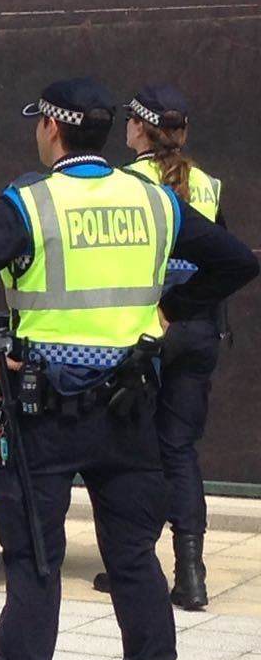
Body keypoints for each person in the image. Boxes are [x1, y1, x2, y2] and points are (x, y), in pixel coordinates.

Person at [0, 77, 256, 660]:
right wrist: (170, 313)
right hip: (130, 407)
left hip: (44, 410)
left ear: (54, 130)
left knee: (38, 561)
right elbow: (235, 261)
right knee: (135, 558)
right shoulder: (155, 202)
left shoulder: (29, 201)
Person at [92, 85, 227, 610]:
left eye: (129, 119)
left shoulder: (126, 184)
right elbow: (224, 259)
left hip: (148, 333)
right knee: (180, 451)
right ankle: (191, 576)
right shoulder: (209, 185)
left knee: (133, 452)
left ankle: (134, 562)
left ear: (139, 129)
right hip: (200, 334)